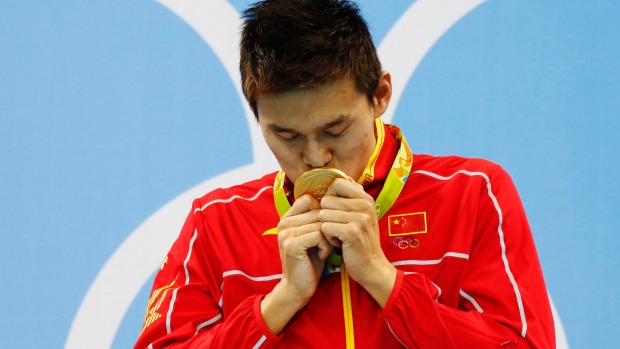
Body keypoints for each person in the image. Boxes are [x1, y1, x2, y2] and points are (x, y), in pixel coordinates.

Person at [134, 0, 555, 348]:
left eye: (335, 130)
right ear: (256, 116)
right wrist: (280, 302)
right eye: (286, 135)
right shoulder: (216, 222)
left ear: (379, 95)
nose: (315, 157)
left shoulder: (473, 193)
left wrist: (383, 278)